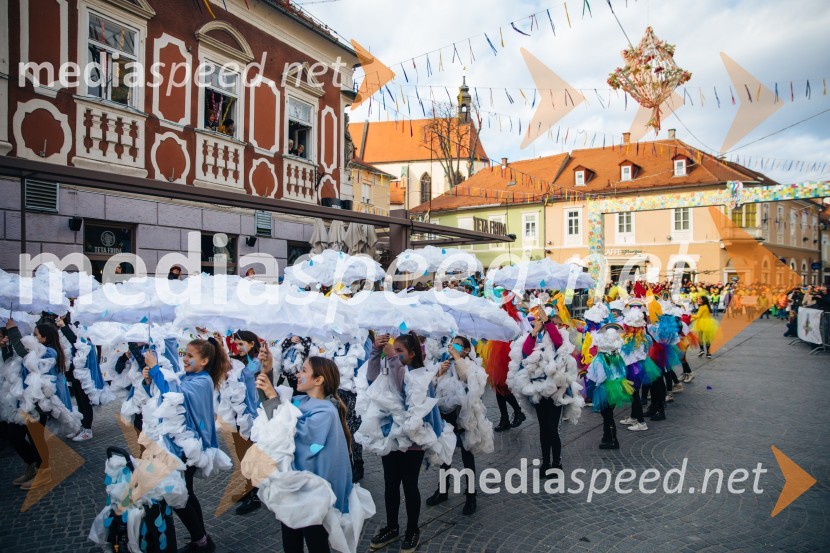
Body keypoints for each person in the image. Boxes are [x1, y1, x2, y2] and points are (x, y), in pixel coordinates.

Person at [251, 356, 373, 553]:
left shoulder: (325, 412)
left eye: (304, 371)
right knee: (291, 541)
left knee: (316, 542)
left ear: (319, 380)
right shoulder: (299, 401)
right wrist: (266, 372)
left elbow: (296, 434)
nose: (298, 374)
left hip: (313, 494)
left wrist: (273, 397)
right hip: (292, 487)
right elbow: (275, 416)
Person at [363, 332, 454, 553]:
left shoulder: (420, 376)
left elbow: (415, 395)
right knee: (390, 484)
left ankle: (413, 529)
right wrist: (376, 352)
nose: (397, 354)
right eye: (397, 351)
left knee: (409, 485)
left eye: (401, 351)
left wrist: (392, 355)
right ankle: (392, 526)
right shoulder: (391, 366)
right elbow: (372, 378)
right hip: (390, 437)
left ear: (413, 354)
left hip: (413, 440)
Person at [142, 338, 232, 553]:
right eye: (185, 354)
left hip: (186, 447)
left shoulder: (202, 381)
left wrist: (155, 369)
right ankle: (201, 538)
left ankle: (201, 539)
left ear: (205, 360)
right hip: (178, 444)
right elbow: (163, 400)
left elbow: (175, 397)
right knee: (187, 492)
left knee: (177, 494)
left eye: (191, 356)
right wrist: (149, 380)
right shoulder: (190, 376)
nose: (185, 359)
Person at [507, 305, 584, 475]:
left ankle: (557, 462)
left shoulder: (558, 336)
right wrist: (535, 331)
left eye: (544, 321)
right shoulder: (532, 336)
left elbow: (557, 341)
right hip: (538, 391)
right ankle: (546, 462)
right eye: (537, 320)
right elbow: (526, 352)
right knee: (543, 428)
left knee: (553, 428)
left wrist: (547, 321)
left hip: (557, 391)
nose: (540, 322)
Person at [426, 336, 493, 515]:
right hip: (446, 414)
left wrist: (457, 358)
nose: (453, 346)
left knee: (466, 456)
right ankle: (442, 490)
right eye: (452, 342)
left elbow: (468, 379)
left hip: (464, 416)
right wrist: (440, 372)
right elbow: (432, 386)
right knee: (444, 452)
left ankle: (471, 495)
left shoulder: (470, 365)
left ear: (466, 350)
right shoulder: (444, 362)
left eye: (458, 345)